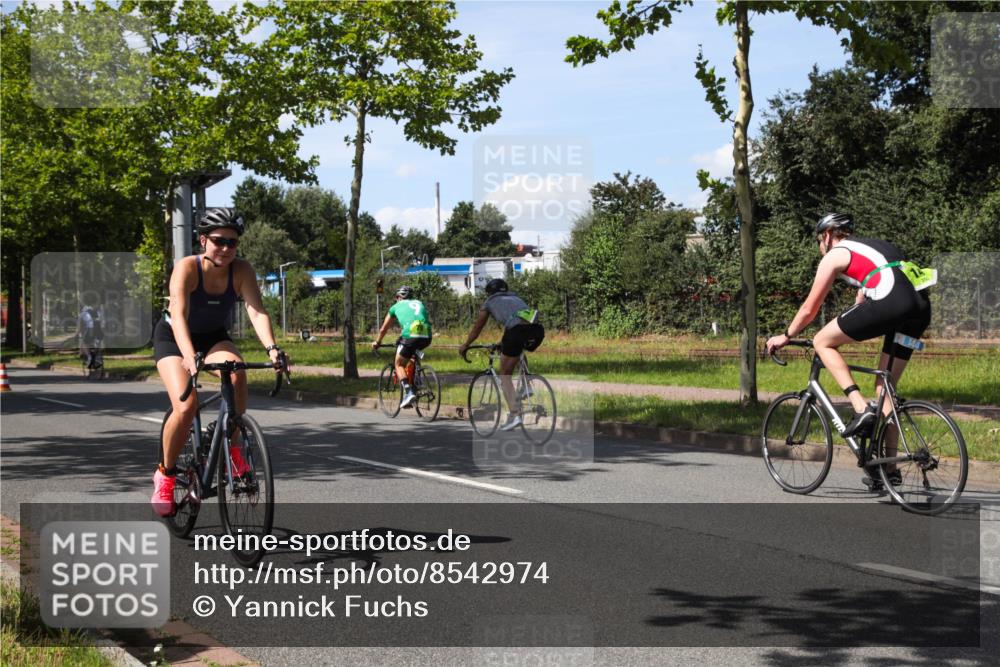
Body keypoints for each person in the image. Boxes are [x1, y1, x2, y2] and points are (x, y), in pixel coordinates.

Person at [765, 213, 932, 488]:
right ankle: (888, 471)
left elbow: (810, 308)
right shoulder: (876, 246)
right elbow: (864, 298)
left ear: (828, 235)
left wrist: (786, 335)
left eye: (820, 240)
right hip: (919, 307)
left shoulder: (835, 255)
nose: (821, 246)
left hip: (892, 302)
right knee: (884, 388)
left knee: (822, 340)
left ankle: (859, 407)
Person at [151, 208, 287, 516]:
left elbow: (256, 310)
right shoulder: (186, 267)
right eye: (219, 241)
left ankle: (233, 447)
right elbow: (180, 317)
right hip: (174, 337)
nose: (226, 248)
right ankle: (166, 474)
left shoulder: (241, 270)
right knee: (186, 407)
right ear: (203, 241)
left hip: (212, 336)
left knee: (237, 373)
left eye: (233, 242)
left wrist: (272, 349)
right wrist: (188, 357)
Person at [458, 278, 544, 431]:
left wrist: (466, 345)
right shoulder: (515, 297)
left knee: (505, 375)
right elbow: (516, 321)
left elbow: (478, 327)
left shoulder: (490, 302)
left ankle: (515, 414)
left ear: (489, 293)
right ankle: (526, 385)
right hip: (537, 330)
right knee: (517, 349)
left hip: (516, 332)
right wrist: (502, 342)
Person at [372, 285, 432, 409]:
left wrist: (377, 342)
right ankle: (416, 383)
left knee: (398, 364)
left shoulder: (395, 307)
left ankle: (409, 392)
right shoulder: (419, 303)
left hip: (410, 336)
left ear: (398, 297)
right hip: (427, 336)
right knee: (411, 355)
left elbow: (383, 329)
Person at [77, 302, 104, 368]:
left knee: (84, 343)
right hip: (99, 330)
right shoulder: (98, 312)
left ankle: (89, 357)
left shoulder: (82, 314)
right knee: (98, 342)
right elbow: (102, 323)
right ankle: (98, 357)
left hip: (91, 330)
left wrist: (76, 335)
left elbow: (79, 327)